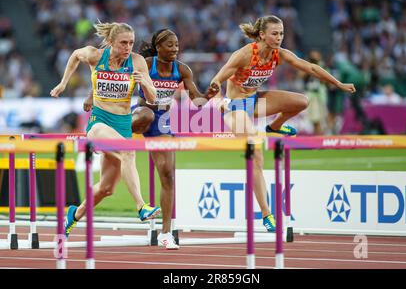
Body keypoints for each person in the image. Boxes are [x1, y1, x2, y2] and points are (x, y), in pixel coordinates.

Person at [210, 15, 356, 232]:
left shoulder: (280, 55)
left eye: (281, 34)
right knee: (256, 152)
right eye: (274, 34)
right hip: (235, 107)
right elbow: (215, 81)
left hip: (255, 101)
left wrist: (338, 83)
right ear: (262, 35)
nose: (279, 38)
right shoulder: (243, 55)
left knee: (301, 101)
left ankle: (274, 127)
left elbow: (312, 69)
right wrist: (219, 101)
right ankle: (267, 214)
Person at [84, 28, 219, 249]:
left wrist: (209, 98)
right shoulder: (145, 63)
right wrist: (92, 96)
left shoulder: (183, 70)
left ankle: (166, 233)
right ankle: (104, 139)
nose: (175, 49)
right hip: (140, 114)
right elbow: (109, 75)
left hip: (163, 121)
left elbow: (197, 100)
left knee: (168, 177)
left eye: (177, 45)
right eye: (170, 45)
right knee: (145, 114)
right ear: (158, 47)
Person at [50, 22, 161, 238]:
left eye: (131, 43)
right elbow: (74, 55)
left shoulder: (137, 62)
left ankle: (74, 214)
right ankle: (141, 207)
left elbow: (154, 98)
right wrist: (64, 83)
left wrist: (145, 84)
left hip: (122, 124)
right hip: (99, 123)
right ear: (111, 42)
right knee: (129, 151)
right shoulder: (95, 56)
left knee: (106, 188)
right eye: (123, 43)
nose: (128, 47)